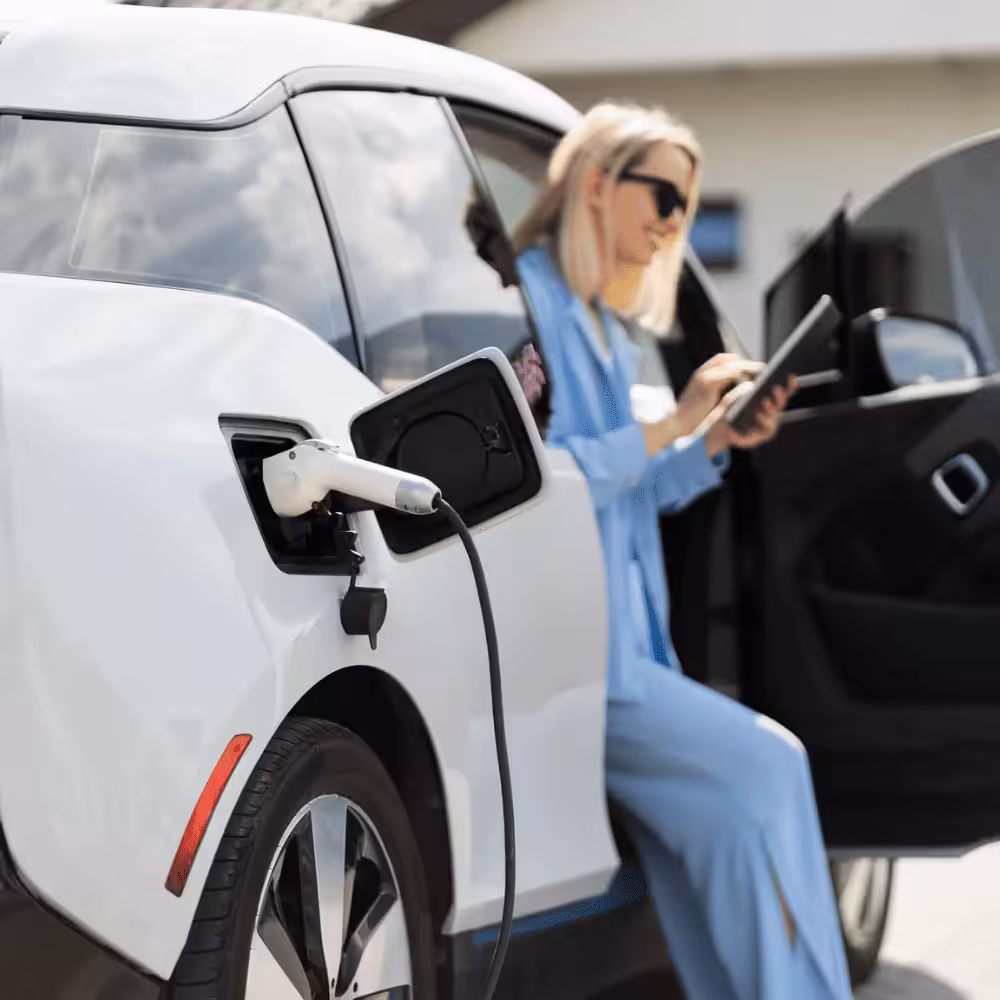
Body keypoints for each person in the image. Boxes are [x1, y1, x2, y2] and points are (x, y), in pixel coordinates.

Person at [512, 102, 853, 1000]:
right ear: (596, 182)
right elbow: (539, 483)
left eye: (687, 206)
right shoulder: (527, 305)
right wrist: (671, 424)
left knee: (727, 828)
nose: (673, 222)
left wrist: (712, 441)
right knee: (769, 767)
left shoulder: (599, 322)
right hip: (577, 670)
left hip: (629, 660)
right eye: (662, 195)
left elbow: (629, 492)